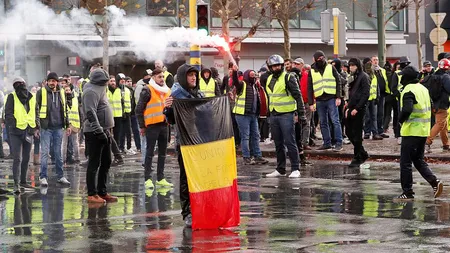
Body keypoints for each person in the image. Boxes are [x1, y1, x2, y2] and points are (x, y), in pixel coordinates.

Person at [164, 63, 205, 228]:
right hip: (185, 144)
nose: (194, 77)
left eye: (195, 75)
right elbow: (171, 120)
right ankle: (187, 212)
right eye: (190, 75)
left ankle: (200, 208)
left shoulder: (199, 93)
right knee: (186, 179)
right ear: (183, 77)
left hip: (200, 142)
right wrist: (168, 108)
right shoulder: (176, 95)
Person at [395, 65, 443, 200]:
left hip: (411, 131)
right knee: (418, 160)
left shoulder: (408, 90)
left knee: (405, 163)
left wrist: (400, 121)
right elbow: (431, 107)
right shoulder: (423, 89)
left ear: (406, 78)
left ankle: (407, 192)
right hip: (423, 131)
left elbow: (407, 109)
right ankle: (434, 182)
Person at [264, 54, 307, 178]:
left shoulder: (288, 77)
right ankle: (280, 169)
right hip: (274, 114)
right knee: (278, 143)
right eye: (273, 66)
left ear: (282, 65)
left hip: (287, 114)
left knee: (290, 141)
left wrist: (301, 114)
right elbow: (270, 97)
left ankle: (295, 168)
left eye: (278, 65)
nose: (276, 68)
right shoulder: (268, 79)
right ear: (270, 68)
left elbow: (298, 96)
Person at [83, 68, 118, 203]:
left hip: (105, 130)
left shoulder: (100, 88)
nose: (106, 83)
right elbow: (90, 113)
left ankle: (102, 192)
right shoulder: (91, 91)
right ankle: (92, 194)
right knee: (94, 163)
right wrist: (99, 131)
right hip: (94, 132)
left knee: (106, 161)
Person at [136, 68, 173, 190]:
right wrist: (142, 126)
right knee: (150, 152)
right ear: (153, 78)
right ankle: (148, 179)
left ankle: (160, 178)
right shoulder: (147, 89)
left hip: (164, 125)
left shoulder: (167, 90)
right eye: (159, 77)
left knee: (162, 153)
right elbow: (139, 109)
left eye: (163, 77)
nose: (162, 79)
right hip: (151, 126)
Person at [35, 72, 71, 187]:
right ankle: (43, 177)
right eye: (50, 81)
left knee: (58, 153)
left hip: (59, 127)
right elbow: (36, 110)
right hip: (46, 128)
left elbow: (65, 109)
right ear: (47, 82)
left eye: (54, 81)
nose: (52, 83)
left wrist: (68, 125)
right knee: (45, 153)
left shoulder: (61, 92)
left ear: (57, 82)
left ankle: (60, 176)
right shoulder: (41, 92)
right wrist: (37, 126)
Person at [5, 77, 37, 193]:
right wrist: (13, 125)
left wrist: (35, 126)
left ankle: (23, 182)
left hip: (28, 131)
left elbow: (36, 111)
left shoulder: (31, 97)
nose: (19, 86)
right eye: (17, 84)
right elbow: (8, 113)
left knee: (26, 158)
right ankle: (16, 184)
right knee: (17, 158)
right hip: (16, 132)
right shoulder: (11, 96)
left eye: (21, 83)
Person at [232, 67, 269, 165]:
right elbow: (235, 81)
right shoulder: (242, 84)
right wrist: (235, 72)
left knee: (255, 136)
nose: (254, 77)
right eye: (252, 75)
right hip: (242, 115)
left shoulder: (255, 86)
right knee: (245, 136)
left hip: (252, 115)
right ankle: (246, 157)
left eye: (254, 75)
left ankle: (257, 156)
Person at [307, 50, 343, 151]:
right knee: (323, 122)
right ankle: (327, 143)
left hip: (331, 98)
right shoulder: (312, 71)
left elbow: (338, 81)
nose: (321, 60)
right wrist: (311, 103)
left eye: (322, 57)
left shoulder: (330, 67)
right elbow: (309, 87)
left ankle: (338, 143)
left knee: (335, 121)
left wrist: (338, 97)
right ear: (314, 60)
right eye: (319, 58)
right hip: (319, 99)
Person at [345, 59, 370, 167]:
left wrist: (358, 108)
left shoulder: (363, 77)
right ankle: (362, 153)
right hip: (352, 106)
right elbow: (351, 92)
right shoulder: (353, 77)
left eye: (353, 65)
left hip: (358, 108)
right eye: (350, 65)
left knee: (357, 133)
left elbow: (365, 94)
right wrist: (348, 105)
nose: (351, 67)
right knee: (349, 132)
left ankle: (358, 157)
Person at [425, 59, 450, 152]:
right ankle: (427, 142)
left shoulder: (434, 76)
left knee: (444, 124)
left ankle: (446, 144)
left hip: (434, 104)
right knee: (440, 124)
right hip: (442, 104)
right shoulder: (445, 77)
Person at [390, 56, 411, 145]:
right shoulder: (397, 73)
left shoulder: (410, 73)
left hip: (409, 97)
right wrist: (399, 95)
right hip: (401, 98)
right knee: (400, 116)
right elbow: (393, 88)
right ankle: (399, 135)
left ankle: (407, 134)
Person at [363, 58, 383, 140]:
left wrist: (377, 96)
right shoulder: (364, 75)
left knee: (374, 116)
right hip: (367, 99)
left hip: (373, 99)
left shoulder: (374, 76)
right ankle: (367, 132)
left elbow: (377, 87)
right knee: (367, 117)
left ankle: (374, 133)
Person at [135, 69, 152, 164]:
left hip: (150, 118)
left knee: (149, 141)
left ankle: (147, 161)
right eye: (149, 75)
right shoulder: (140, 87)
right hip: (143, 117)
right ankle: (145, 161)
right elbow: (139, 105)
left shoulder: (151, 86)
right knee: (144, 140)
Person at [371, 55, 389, 139]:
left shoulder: (382, 70)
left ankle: (380, 130)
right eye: (374, 60)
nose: (376, 61)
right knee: (374, 114)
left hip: (382, 94)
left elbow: (385, 80)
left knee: (381, 113)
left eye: (377, 60)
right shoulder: (370, 71)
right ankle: (374, 132)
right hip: (374, 95)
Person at [62, 84, 80, 165]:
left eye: (69, 90)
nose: (68, 91)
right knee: (66, 143)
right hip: (68, 124)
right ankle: (65, 159)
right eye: (66, 90)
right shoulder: (73, 99)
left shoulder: (64, 100)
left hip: (73, 124)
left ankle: (75, 158)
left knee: (73, 143)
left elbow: (79, 112)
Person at [121, 76, 135, 155]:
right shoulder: (122, 90)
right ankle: (123, 147)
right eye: (128, 81)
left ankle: (128, 147)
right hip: (123, 114)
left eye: (130, 81)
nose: (129, 83)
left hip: (129, 113)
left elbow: (132, 101)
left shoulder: (130, 90)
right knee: (123, 132)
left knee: (129, 131)